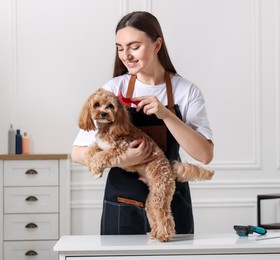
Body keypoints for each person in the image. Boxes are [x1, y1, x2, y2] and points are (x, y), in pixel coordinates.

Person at [71, 11, 214, 235]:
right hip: (122, 202)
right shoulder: (113, 90)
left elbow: (205, 155)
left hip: (169, 200)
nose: (125, 55)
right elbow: (77, 153)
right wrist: (125, 158)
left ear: (157, 45)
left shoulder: (186, 91)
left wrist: (167, 115)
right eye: (120, 47)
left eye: (134, 46)